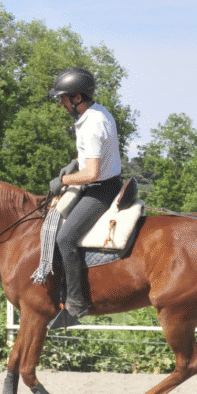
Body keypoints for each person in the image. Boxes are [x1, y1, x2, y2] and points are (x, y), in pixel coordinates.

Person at [46, 67, 123, 328]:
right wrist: (73, 162)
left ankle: (76, 305)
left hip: (102, 189)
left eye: (63, 98)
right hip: (97, 184)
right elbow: (91, 155)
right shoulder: (95, 113)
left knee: (65, 238)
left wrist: (63, 180)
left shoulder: (93, 124)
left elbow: (92, 172)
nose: (60, 103)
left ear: (77, 97)